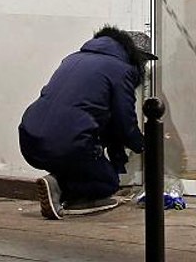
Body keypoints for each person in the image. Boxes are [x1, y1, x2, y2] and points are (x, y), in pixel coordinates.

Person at [18, 26, 156, 219]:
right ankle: (59, 186)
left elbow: (99, 115)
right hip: (66, 141)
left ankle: (58, 188)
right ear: (135, 56)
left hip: (29, 137)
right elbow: (124, 122)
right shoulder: (122, 70)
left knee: (82, 162)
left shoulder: (73, 58)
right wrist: (145, 145)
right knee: (108, 183)